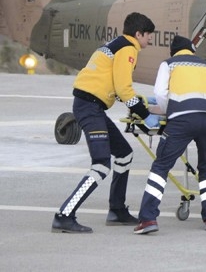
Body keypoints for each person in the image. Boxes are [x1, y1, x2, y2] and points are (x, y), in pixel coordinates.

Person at [52, 12, 157, 233]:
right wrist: (146, 115)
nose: (149, 40)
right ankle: (64, 215)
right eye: (148, 36)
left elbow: (112, 85)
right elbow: (123, 88)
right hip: (89, 106)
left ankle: (117, 210)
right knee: (101, 164)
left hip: (92, 105)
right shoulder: (128, 49)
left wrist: (139, 103)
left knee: (124, 154)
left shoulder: (114, 45)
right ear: (138, 34)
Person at [133, 36, 206, 234]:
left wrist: (170, 110)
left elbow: (160, 93)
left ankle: (148, 218)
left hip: (182, 120)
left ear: (173, 52)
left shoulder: (169, 64)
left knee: (161, 166)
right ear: (191, 51)